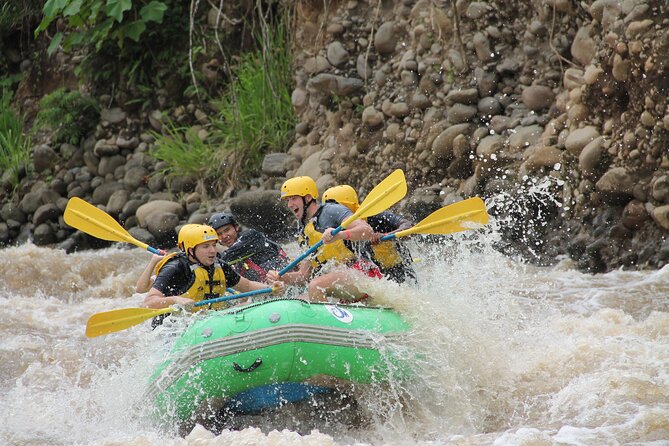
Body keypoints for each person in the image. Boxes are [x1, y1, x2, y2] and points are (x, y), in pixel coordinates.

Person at [266, 176, 381, 302]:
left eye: (294, 198)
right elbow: (303, 276)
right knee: (298, 300)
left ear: (308, 198)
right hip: (342, 279)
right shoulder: (304, 228)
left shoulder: (331, 211)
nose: (289, 204)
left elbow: (367, 231)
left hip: (362, 273)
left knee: (316, 285)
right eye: (288, 200)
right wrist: (281, 277)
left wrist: (340, 235)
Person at [144, 224, 284, 312]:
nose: (213, 251)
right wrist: (176, 300)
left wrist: (271, 289)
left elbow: (247, 285)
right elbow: (149, 302)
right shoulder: (176, 268)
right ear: (191, 250)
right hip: (175, 327)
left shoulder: (219, 266)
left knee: (243, 307)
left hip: (208, 320)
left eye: (213, 245)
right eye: (206, 246)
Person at [322, 185, 417, 284]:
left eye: (334, 209)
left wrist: (386, 235)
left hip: (401, 274)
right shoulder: (341, 232)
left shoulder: (375, 216)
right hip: (377, 280)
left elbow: (409, 226)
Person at [207, 212, 290, 283]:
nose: (224, 236)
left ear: (236, 227)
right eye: (219, 234)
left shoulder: (252, 236)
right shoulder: (232, 260)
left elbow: (229, 256)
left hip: (287, 276)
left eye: (227, 230)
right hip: (270, 285)